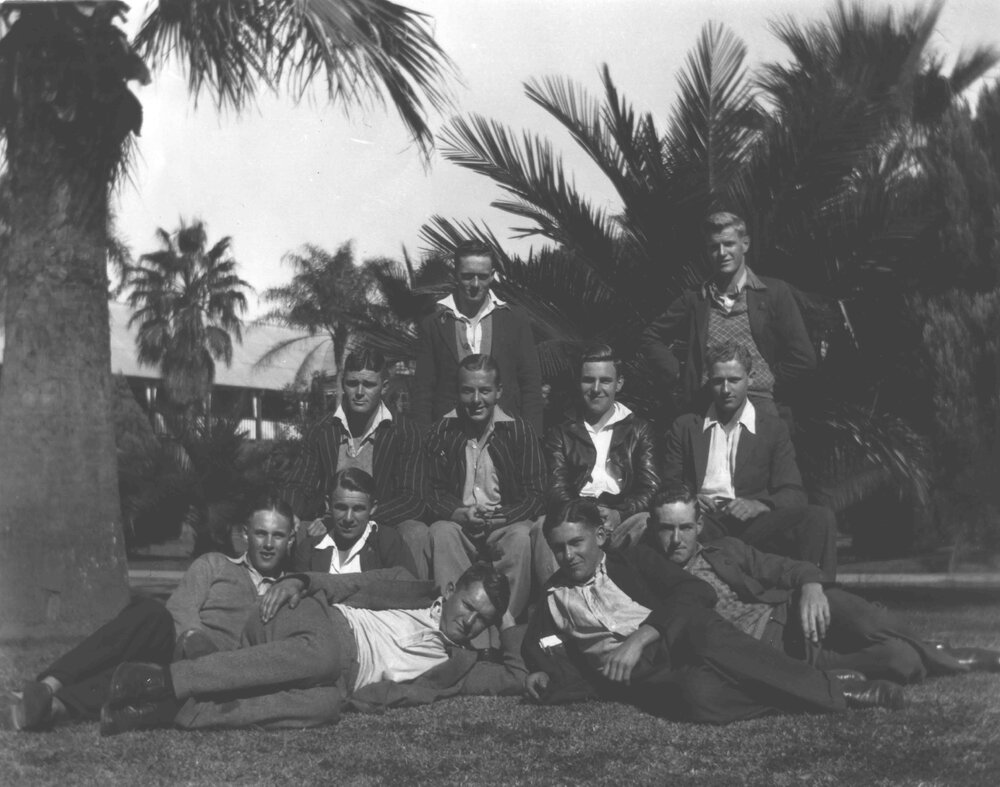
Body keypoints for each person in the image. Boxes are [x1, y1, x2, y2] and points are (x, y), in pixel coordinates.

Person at [522, 499, 906, 725]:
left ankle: (843, 693)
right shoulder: (554, 595)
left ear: (600, 537)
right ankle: (805, 683)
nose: (568, 556)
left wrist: (643, 636)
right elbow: (540, 640)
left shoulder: (633, 561)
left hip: (677, 639)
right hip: (644, 676)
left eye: (577, 542)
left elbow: (694, 591)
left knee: (706, 631)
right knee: (699, 697)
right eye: (558, 548)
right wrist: (540, 667)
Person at [100, 563, 525, 733]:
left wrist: (503, 618)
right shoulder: (410, 583)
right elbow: (349, 583)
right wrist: (300, 580)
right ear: (451, 592)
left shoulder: (464, 665)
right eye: (469, 605)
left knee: (325, 708)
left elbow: (516, 676)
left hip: (340, 680)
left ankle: (178, 712)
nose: (470, 621)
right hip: (318, 621)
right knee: (321, 656)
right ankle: (159, 680)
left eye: (482, 619)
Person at [645, 488, 1000, 682]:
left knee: (871, 622)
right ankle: (939, 651)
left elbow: (785, 567)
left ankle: (962, 659)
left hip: (793, 607)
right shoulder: (650, 575)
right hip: (775, 648)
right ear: (652, 527)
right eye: (666, 529)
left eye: (685, 528)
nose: (676, 539)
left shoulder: (725, 549)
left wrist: (812, 585)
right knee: (899, 662)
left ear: (699, 524)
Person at [6, 494, 295, 732]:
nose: (268, 544)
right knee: (151, 613)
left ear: (290, 540)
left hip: (210, 678)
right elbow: (181, 607)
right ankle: (46, 685)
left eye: (278, 536)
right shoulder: (215, 564)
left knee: (140, 677)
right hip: (179, 646)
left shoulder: (290, 591)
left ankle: (52, 707)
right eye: (261, 533)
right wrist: (194, 645)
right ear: (246, 534)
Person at [661, 341, 838, 577]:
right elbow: (668, 487)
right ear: (708, 380)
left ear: (750, 378)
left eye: (734, 380)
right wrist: (690, 500)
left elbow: (794, 492)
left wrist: (760, 506)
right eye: (718, 381)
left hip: (754, 525)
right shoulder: (686, 427)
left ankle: (821, 594)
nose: (725, 389)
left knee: (819, 518)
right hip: (704, 523)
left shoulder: (772, 429)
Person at [640, 211, 815, 419]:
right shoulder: (696, 298)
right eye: (714, 247)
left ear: (745, 244)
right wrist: (682, 374)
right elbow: (651, 336)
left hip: (761, 408)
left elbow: (803, 357)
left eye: (729, 244)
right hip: (707, 407)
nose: (722, 253)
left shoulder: (773, 293)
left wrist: (767, 380)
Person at [425, 354, 547, 641]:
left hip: (503, 522)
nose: (476, 399)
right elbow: (429, 491)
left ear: (498, 392)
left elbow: (537, 493)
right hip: (460, 522)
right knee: (440, 532)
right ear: (458, 392)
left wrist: (504, 516)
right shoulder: (441, 431)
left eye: (485, 391)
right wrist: (457, 512)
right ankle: (451, 628)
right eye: (468, 391)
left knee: (520, 537)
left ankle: (503, 626)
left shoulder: (519, 431)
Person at [282, 348, 428, 576]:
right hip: (330, 520)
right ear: (343, 384)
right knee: (293, 527)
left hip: (382, 521)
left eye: (369, 384)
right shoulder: (323, 430)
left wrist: (359, 517)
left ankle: (411, 600)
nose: (359, 392)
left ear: (385, 387)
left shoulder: (405, 432)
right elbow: (298, 484)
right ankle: (289, 594)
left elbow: (413, 499)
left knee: (416, 532)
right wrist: (289, 514)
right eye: (352, 383)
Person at [412, 240, 543, 434]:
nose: (475, 284)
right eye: (467, 276)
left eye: (482, 277)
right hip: (448, 438)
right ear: (455, 275)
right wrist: (423, 442)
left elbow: (531, 384)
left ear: (492, 276)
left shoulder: (515, 319)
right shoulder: (433, 323)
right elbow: (423, 390)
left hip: (506, 437)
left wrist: (531, 440)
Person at [544, 343, 660, 547]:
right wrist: (583, 515)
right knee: (541, 528)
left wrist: (621, 513)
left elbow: (650, 487)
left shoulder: (639, 429)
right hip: (575, 518)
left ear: (619, 383)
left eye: (605, 381)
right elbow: (557, 487)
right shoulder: (562, 431)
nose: (596, 389)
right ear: (579, 383)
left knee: (646, 523)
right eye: (588, 380)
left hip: (621, 518)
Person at [292, 468, 417, 577]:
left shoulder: (388, 542)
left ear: (372, 508)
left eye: (358, 509)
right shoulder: (309, 549)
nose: (348, 518)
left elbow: (408, 589)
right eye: (341, 507)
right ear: (328, 504)